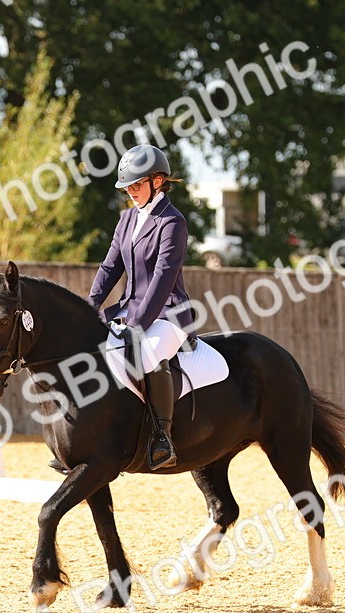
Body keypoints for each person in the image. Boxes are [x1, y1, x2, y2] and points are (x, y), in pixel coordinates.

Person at [87, 143, 193, 470]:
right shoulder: (126, 219)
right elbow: (110, 267)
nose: (130, 192)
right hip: (127, 308)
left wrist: (137, 324)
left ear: (157, 181)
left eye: (136, 184)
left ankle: (162, 437)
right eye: (127, 187)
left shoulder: (172, 222)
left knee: (147, 353)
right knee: (87, 345)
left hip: (167, 313)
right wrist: (89, 307)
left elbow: (163, 278)